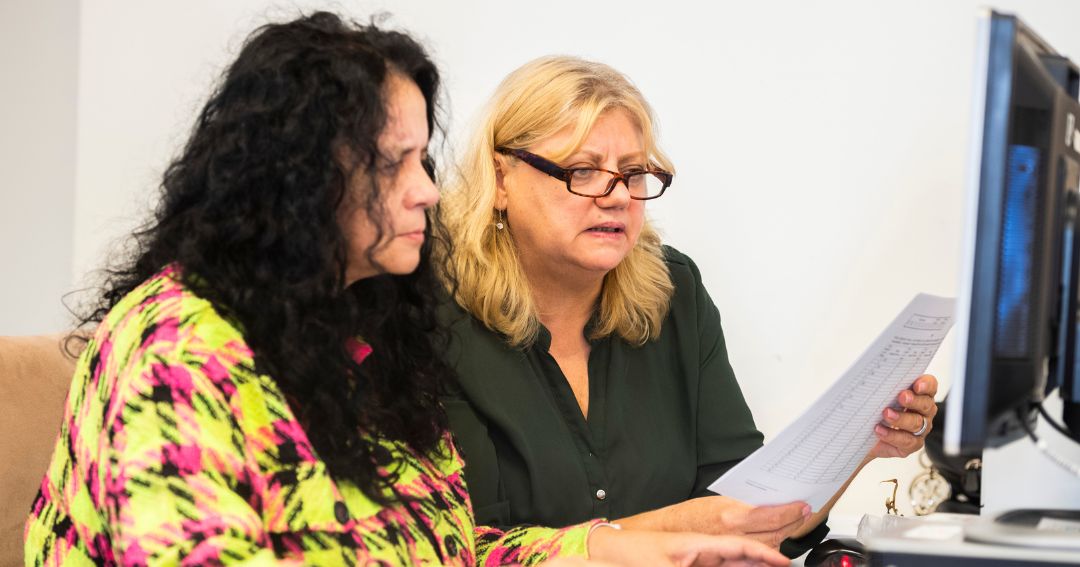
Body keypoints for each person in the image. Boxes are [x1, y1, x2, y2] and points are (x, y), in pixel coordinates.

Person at [23, 15, 789, 567]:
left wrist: (617, 549)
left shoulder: (364, 340)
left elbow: (455, 550)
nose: (428, 190)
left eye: (424, 159)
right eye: (395, 162)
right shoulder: (177, 344)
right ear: (299, 176)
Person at [437, 55, 940, 557]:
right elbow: (458, 551)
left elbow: (748, 513)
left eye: (634, 173)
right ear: (501, 179)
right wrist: (673, 528)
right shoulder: (430, 319)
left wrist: (861, 442)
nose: (618, 197)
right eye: (583, 171)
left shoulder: (674, 290)